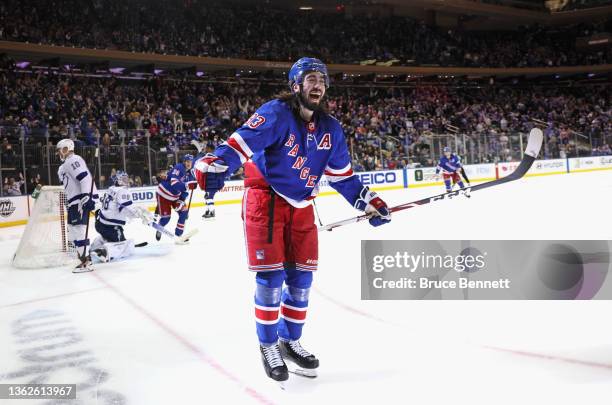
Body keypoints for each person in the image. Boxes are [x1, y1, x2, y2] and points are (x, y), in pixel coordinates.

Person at [192, 57, 391, 383]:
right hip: (265, 202)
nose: (318, 85)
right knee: (271, 281)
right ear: (295, 85)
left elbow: (343, 177)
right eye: (311, 78)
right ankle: (268, 345)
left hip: (301, 207)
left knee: (301, 282)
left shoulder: (332, 129)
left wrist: (369, 201)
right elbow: (240, 143)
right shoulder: (275, 113)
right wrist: (214, 163)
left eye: (322, 80)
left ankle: (289, 339)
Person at [91, 171, 153, 263]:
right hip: (110, 226)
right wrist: (139, 214)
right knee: (124, 248)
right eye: (123, 179)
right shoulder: (123, 191)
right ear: (118, 180)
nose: (126, 181)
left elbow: (119, 207)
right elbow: (126, 209)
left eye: (126, 179)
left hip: (100, 223)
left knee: (112, 238)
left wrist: (138, 213)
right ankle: (104, 252)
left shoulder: (111, 188)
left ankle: (94, 246)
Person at [56, 139, 99, 273]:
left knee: (79, 229)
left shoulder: (73, 159)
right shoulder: (64, 166)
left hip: (80, 201)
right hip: (73, 202)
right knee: (73, 229)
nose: (59, 153)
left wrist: (87, 196)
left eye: (60, 149)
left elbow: (84, 177)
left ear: (67, 148)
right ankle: (82, 258)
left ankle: (87, 261)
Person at [154, 154, 196, 241]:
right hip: (164, 194)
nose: (189, 164)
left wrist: (181, 200)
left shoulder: (190, 174)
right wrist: (187, 186)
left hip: (175, 197)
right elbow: (174, 183)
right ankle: (159, 227)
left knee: (184, 212)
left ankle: (178, 235)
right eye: (187, 161)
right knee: (166, 218)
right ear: (184, 162)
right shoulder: (179, 168)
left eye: (190, 162)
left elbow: (185, 191)